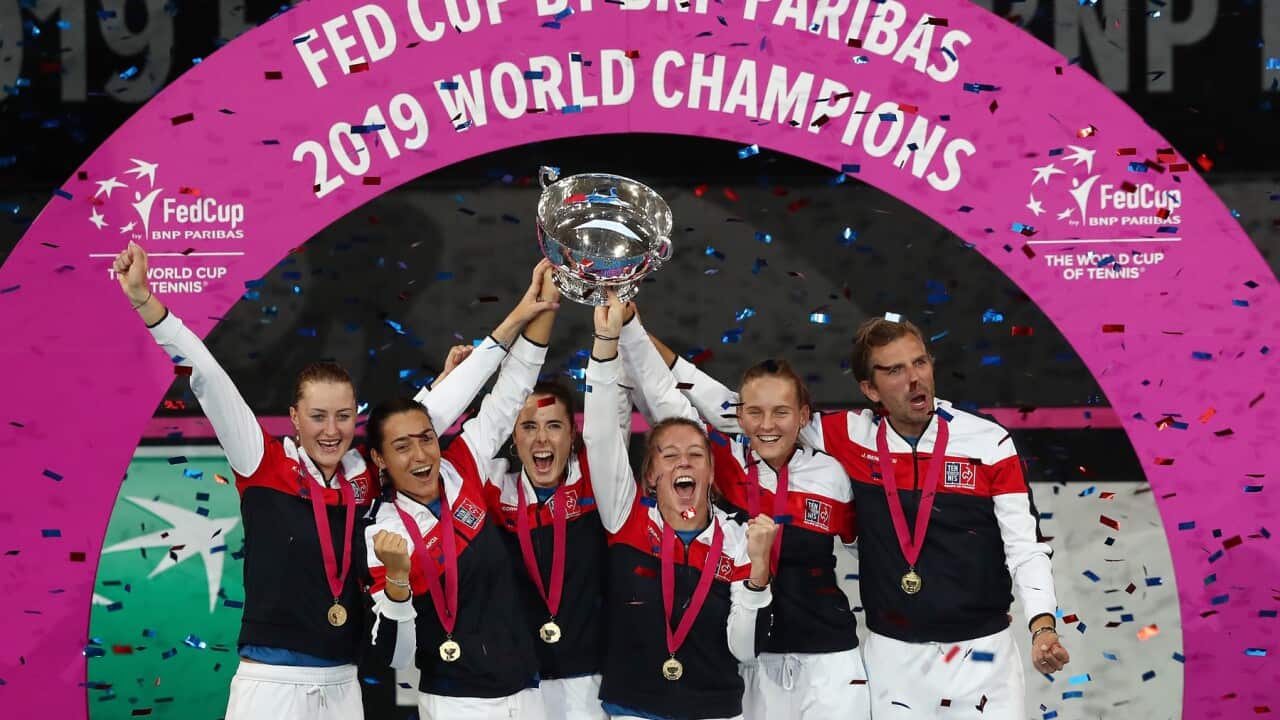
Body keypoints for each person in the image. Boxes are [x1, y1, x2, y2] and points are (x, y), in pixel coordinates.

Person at [660, 313, 1070, 719]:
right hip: (892, 659)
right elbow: (742, 411)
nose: (914, 378)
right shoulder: (848, 436)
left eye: (920, 362)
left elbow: (1026, 547)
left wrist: (1042, 626)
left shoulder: (988, 441)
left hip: (984, 657)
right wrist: (642, 341)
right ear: (870, 389)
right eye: (894, 370)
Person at [113, 240, 396, 719]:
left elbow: (425, 419)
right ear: (294, 417)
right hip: (271, 687)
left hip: (345, 685)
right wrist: (145, 301)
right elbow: (206, 374)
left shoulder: (364, 478)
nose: (332, 431)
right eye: (319, 416)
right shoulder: (260, 461)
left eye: (344, 416)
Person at [620, 308, 869, 720]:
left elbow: (865, 547)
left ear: (803, 417)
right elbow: (669, 393)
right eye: (754, 412)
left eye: (781, 412)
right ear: (738, 415)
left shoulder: (833, 474)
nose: (767, 425)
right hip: (752, 663)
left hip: (832, 663)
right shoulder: (724, 459)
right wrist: (630, 329)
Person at [362, 260, 559, 719]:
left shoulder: (462, 467)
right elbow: (395, 655)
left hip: (526, 694)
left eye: (426, 438)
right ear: (379, 461)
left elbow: (513, 389)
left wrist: (545, 302)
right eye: (402, 447)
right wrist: (395, 581)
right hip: (455, 703)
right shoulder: (382, 535)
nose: (421, 456)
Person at [583, 292, 779, 720]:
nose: (684, 460)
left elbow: (745, 652)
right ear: (650, 475)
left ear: (711, 472)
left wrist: (759, 575)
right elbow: (599, 436)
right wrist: (606, 342)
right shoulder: (626, 519)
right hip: (633, 710)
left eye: (695, 454)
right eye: (669, 456)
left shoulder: (741, 540)